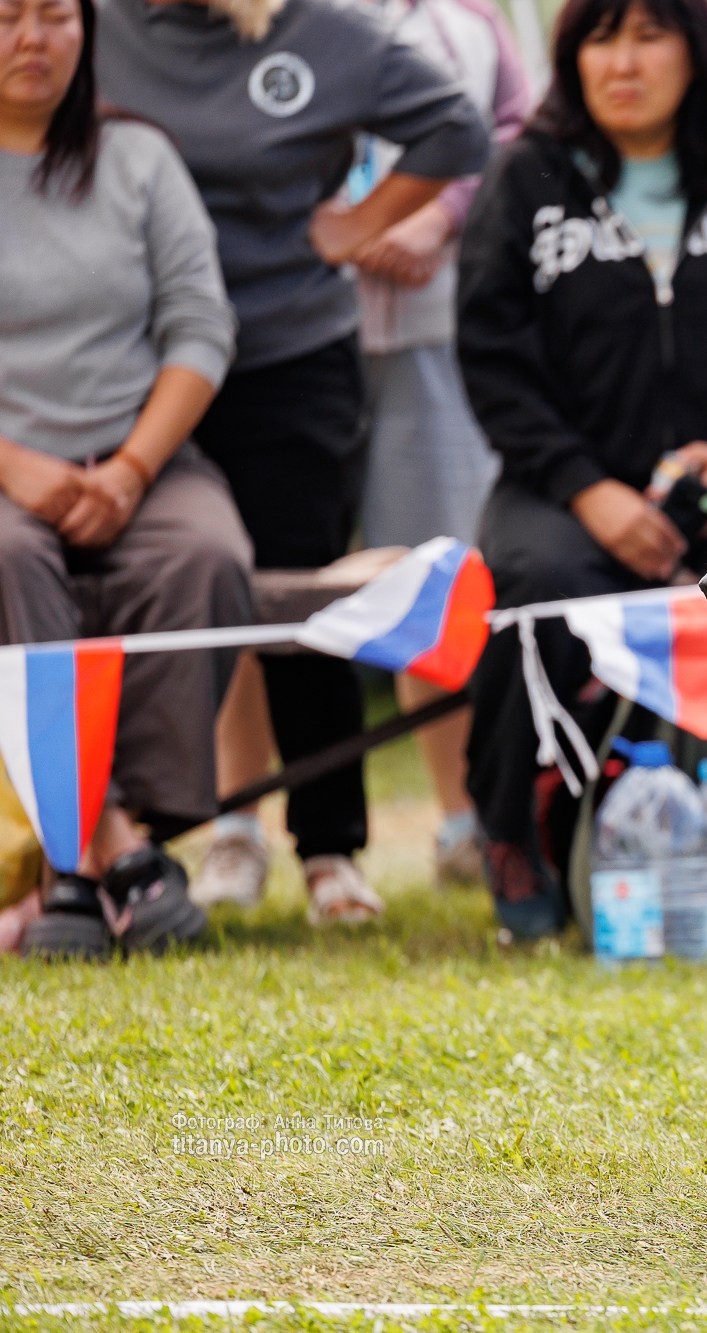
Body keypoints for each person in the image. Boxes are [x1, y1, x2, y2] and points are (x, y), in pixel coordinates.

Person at [96, 0, 488, 926]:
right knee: (175, 585)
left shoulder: (323, 30)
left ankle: (328, 848)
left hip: (287, 354)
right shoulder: (90, 24)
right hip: (128, 362)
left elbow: (457, 127)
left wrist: (356, 224)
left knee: (302, 591)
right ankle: (173, 836)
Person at [455, 0, 707, 940]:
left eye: (649, 35)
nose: (623, 62)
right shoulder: (525, 179)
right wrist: (587, 489)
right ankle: (514, 836)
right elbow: (491, 359)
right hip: (561, 485)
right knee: (541, 587)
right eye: (601, 37)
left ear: (696, 56)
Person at [0, 0, 249, 958]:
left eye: (55, 15)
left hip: (141, 456)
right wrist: (18, 468)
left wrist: (134, 467)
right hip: (7, 470)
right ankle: (110, 848)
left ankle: (101, 848)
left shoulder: (139, 158)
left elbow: (201, 325)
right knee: (9, 557)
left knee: (207, 554)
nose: (33, 38)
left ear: (88, 30)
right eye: (8, 17)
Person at [351, 0, 534, 889]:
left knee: (440, 576)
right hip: (285, 335)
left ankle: (462, 818)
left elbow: (516, 130)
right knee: (264, 576)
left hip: (437, 329)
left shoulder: (473, 19)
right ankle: (251, 830)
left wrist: (438, 217)